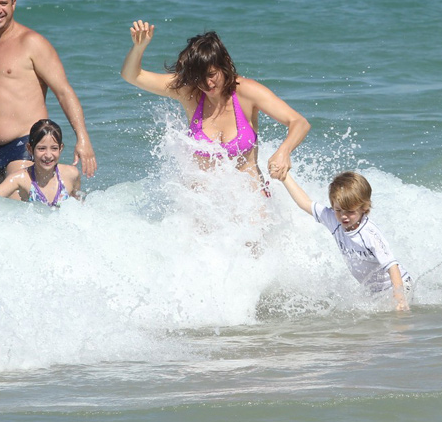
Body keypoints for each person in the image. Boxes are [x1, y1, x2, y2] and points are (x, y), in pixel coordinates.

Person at [121, 20, 310, 194]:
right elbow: (132, 76)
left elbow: (299, 122)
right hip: (205, 207)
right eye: (198, 77)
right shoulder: (189, 93)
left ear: (224, 64)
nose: (206, 84)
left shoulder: (247, 92)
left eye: (212, 74)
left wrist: (283, 152)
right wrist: (139, 47)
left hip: (249, 205)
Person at [0, 0, 96, 197]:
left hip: (22, 147)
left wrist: (83, 138)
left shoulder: (31, 43)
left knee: (19, 217)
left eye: (3, 3)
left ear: (14, 4)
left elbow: (63, 91)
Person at [278, 170, 412, 311]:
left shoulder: (370, 234)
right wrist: (285, 176)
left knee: (395, 324)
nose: (343, 216)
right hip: (374, 292)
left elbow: (392, 266)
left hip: (398, 285)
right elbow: (305, 202)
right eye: (339, 210)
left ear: (364, 208)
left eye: (350, 211)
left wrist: (400, 299)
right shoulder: (332, 219)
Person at [0, 119, 80, 206]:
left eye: (54, 148)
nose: (48, 155)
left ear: (61, 148)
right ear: (30, 149)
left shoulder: (71, 174)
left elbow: (79, 207)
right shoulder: (21, 179)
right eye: (41, 149)